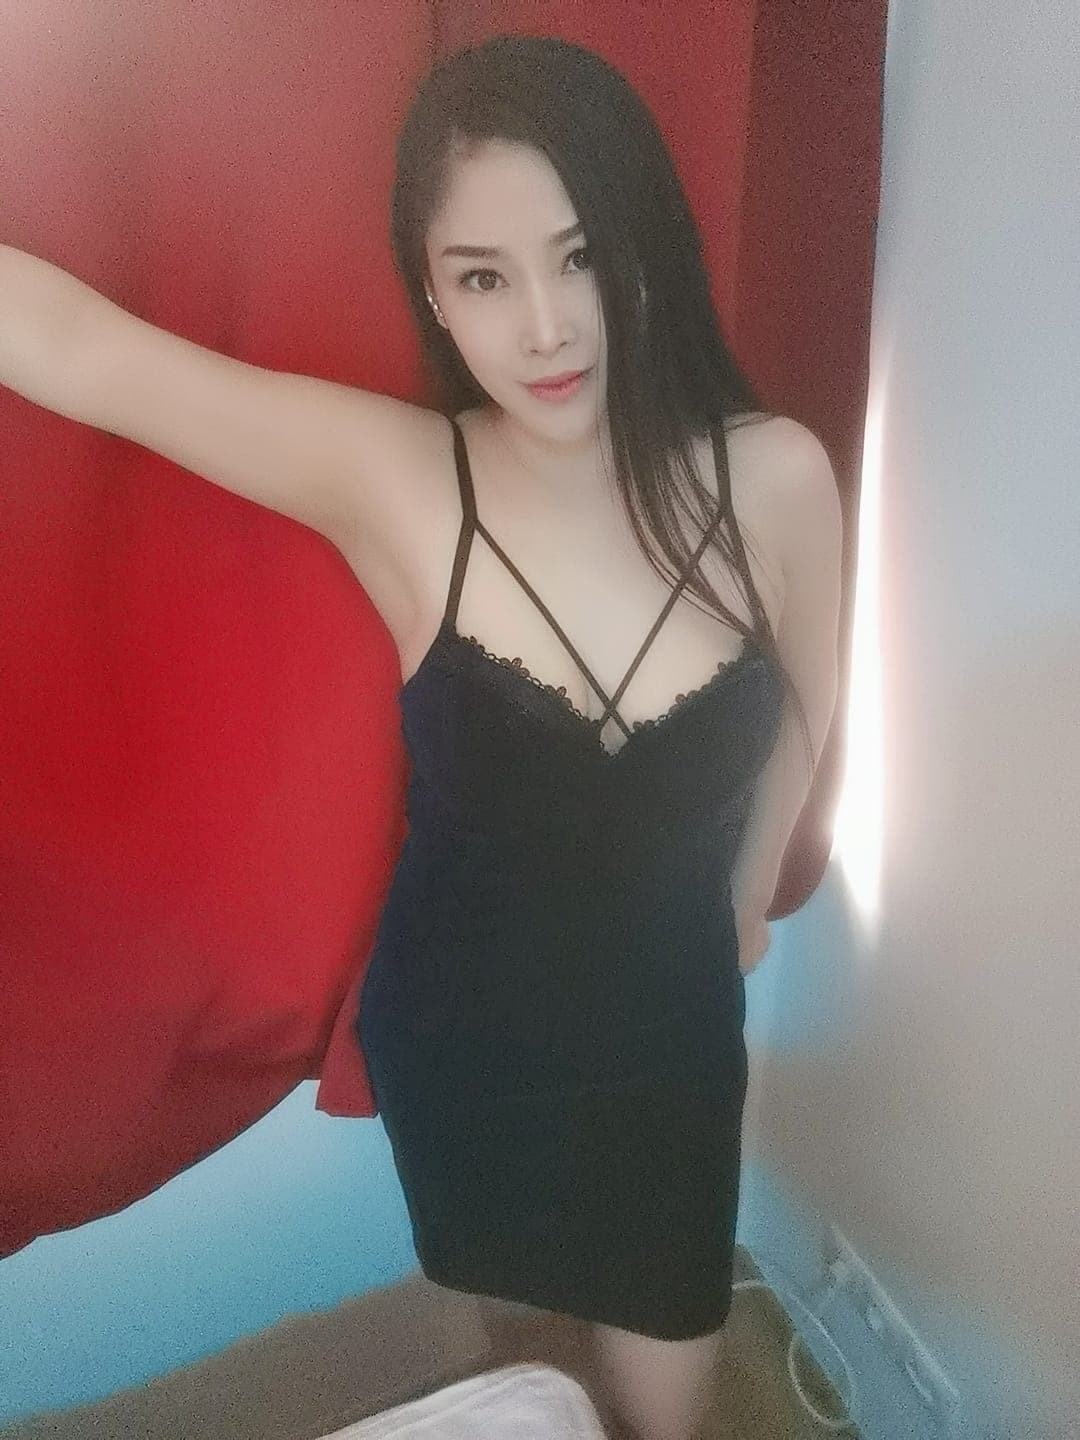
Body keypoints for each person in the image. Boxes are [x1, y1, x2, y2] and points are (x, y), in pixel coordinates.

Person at [0, 33, 842, 1440]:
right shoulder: (398, 479)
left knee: (668, 1391)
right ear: (436, 297)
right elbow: (84, 355)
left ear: (646, 241)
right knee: (529, 1374)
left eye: (581, 256)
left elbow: (808, 712)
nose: (548, 329)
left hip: (672, 1047)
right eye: (485, 279)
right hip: (467, 1046)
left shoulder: (778, 478)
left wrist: (747, 901)